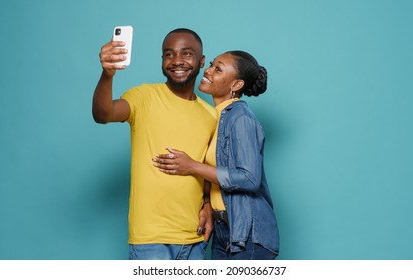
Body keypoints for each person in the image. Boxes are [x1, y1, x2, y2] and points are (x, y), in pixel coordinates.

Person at [92, 28, 217, 260]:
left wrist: (208, 204)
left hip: (195, 239)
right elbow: (103, 114)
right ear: (162, 61)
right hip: (150, 240)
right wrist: (107, 75)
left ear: (201, 62)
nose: (177, 60)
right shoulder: (144, 96)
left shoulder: (211, 115)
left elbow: (207, 167)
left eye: (187, 54)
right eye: (169, 54)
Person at [152, 50, 280, 259]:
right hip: (222, 231)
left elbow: (249, 178)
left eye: (218, 69)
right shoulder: (214, 117)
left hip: (248, 236)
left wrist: (192, 166)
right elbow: (216, 173)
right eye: (211, 65)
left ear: (236, 85)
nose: (208, 71)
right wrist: (207, 205)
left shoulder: (241, 119)